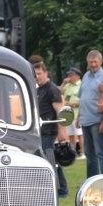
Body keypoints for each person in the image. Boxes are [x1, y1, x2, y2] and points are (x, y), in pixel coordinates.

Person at [33, 61, 69, 198]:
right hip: (41, 131)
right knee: (49, 160)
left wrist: (62, 134)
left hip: (49, 131)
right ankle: (57, 189)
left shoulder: (52, 89)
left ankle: (61, 190)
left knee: (51, 160)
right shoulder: (38, 89)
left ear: (46, 73)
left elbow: (61, 112)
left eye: (39, 73)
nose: (37, 76)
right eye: (35, 74)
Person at [75, 50, 103, 177]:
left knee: (100, 152)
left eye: (95, 61)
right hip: (85, 119)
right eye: (91, 62)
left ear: (101, 62)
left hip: (97, 120)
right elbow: (83, 98)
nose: (93, 64)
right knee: (89, 153)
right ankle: (91, 181)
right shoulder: (85, 76)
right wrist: (79, 117)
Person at [61, 67, 85, 159]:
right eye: (68, 75)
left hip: (78, 113)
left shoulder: (81, 86)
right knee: (71, 134)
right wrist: (64, 83)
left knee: (79, 133)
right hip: (68, 114)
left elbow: (83, 101)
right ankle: (73, 152)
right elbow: (59, 91)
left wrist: (72, 104)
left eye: (71, 75)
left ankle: (82, 152)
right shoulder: (68, 85)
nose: (69, 77)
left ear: (77, 76)